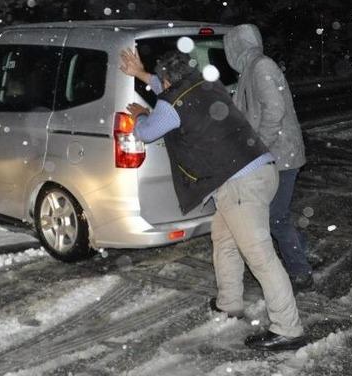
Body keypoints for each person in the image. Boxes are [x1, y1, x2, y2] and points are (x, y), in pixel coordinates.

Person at [120, 47, 305, 351]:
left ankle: (288, 328)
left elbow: (148, 132)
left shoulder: (171, 103)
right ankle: (229, 302)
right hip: (260, 171)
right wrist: (141, 74)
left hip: (239, 185)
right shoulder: (207, 86)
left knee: (261, 259)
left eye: (161, 83)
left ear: (168, 81)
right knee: (225, 240)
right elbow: (166, 89)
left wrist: (141, 114)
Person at [223, 24, 314, 291]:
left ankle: (300, 271)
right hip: (274, 156)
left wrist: (259, 146)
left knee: (275, 217)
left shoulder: (261, 67)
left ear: (235, 46)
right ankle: (299, 254)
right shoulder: (250, 70)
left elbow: (275, 111)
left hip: (280, 155)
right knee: (274, 215)